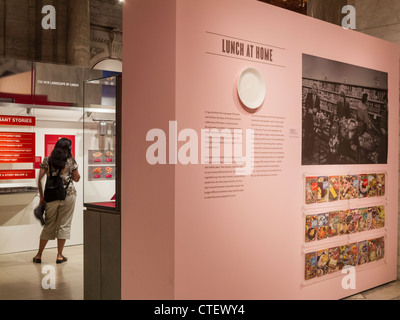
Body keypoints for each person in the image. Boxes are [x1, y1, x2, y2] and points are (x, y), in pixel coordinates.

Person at [33, 138, 80, 264]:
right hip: (68, 195)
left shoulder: (47, 160)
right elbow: (77, 179)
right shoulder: (70, 161)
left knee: (49, 224)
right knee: (64, 224)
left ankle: (38, 255)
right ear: (68, 148)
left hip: (51, 196)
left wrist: (42, 197)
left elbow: (39, 179)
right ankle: (59, 256)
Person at [303, 83, 320, 161]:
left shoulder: (318, 98)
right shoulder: (309, 95)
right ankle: (306, 152)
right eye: (313, 88)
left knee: (312, 136)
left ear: (317, 90)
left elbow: (318, 108)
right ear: (311, 89)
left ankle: (311, 151)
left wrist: (317, 109)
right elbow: (306, 104)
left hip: (314, 120)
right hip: (308, 119)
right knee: (307, 135)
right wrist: (308, 109)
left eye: (315, 89)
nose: (314, 90)